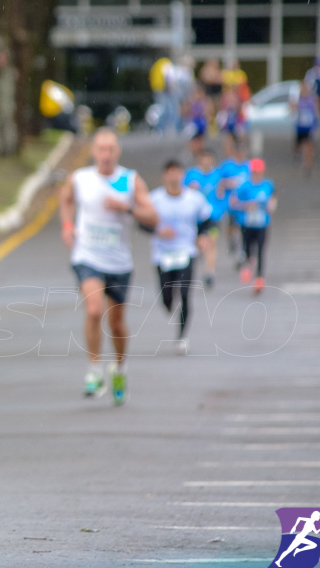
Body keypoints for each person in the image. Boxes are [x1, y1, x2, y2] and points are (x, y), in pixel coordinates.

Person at [59, 128, 158, 404]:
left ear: (118, 152)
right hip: (87, 256)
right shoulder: (80, 179)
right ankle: (94, 370)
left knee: (116, 324)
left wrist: (125, 208)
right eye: (101, 149)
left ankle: (120, 368)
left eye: (111, 149)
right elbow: (65, 199)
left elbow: (152, 216)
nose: (105, 155)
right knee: (93, 310)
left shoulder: (129, 180)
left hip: (119, 261)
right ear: (93, 151)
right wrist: (68, 225)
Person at [146, 160, 213, 355]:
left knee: (184, 294)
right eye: (170, 173)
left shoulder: (194, 198)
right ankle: (168, 303)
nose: (174, 176)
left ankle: (182, 336)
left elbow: (207, 219)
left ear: (182, 175)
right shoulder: (154, 199)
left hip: (186, 252)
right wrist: (157, 232)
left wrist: (203, 235)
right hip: (162, 254)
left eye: (177, 172)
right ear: (164, 176)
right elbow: (142, 222)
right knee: (166, 298)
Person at [232, 158, 277, 295]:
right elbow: (233, 202)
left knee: (260, 250)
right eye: (254, 172)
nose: (257, 174)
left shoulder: (268, 185)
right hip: (247, 223)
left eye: (259, 172)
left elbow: (273, 199)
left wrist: (271, 206)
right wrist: (246, 206)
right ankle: (247, 264)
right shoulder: (243, 185)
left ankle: (259, 278)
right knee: (247, 248)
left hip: (262, 224)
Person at [184, 150, 227, 287]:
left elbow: (224, 194)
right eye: (204, 158)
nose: (207, 161)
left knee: (211, 242)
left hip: (213, 216)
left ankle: (210, 272)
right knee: (197, 244)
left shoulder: (218, 175)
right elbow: (181, 193)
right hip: (195, 217)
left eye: (209, 159)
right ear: (199, 160)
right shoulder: (191, 175)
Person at [292, 82, 319, 177]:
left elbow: (317, 111)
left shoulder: (312, 100)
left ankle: (308, 164)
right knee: (298, 147)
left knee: (308, 146)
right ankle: (299, 156)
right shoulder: (298, 100)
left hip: (309, 127)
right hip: (300, 127)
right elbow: (292, 110)